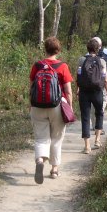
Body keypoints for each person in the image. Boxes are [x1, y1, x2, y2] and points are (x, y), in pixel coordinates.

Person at [29, 37, 73, 184]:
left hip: (37, 106)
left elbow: (32, 87)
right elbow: (68, 89)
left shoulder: (37, 65)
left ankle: (40, 159)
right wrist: (70, 106)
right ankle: (54, 170)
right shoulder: (62, 66)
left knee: (41, 137)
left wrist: (31, 104)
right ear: (58, 50)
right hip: (57, 106)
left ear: (45, 49)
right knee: (56, 138)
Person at [77, 38, 107, 154]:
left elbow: (78, 76)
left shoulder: (81, 60)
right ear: (98, 49)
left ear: (87, 48)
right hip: (97, 91)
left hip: (84, 92)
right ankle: (97, 140)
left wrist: (78, 89)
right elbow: (105, 79)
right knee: (99, 114)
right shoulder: (102, 62)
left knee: (85, 117)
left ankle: (87, 146)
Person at [90, 36, 107, 132]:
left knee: (93, 105)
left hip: (90, 84)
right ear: (100, 45)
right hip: (104, 81)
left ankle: (94, 125)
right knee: (102, 102)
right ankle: (98, 125)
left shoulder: (86, 56)